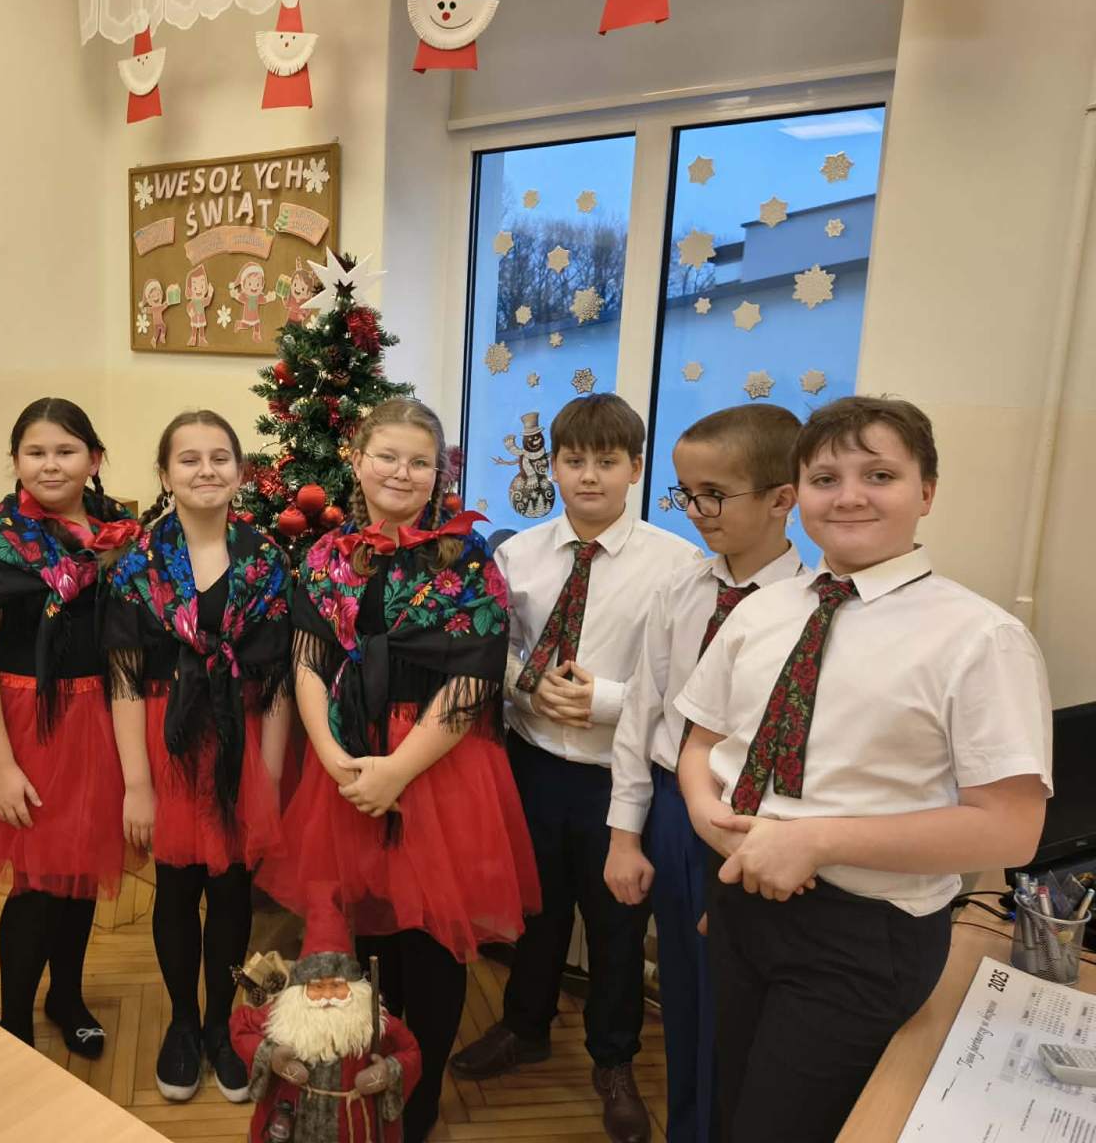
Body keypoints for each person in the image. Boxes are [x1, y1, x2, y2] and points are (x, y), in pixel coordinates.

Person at [676, 396, 1052, 1143]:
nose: (849, 496)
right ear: (798, 495)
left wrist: (816, 841)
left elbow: (1012, 829)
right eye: (826, 479)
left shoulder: (980, 637)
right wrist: (711, 823)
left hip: (860, 935)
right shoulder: (761, 611)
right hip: (744, 900)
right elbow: (701, 744)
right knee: (730, 1104)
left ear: (926, 492)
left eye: (879, 475)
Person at [257, 397, 540, 1143]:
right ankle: (375, 1081)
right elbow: (307, 659)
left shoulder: (467, 558)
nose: (402, 472)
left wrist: (398, 772)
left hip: (437, 767)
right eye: (387, 456)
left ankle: (419, 1103)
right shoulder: (326, 555)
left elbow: (475, 678)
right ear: (357, 461)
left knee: (433, 941)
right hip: (348, 757)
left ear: (439, 473)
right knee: (371, 932)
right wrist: (331, 756)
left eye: (420, 462)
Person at [452, 393, 700, 1143]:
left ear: (635, 469)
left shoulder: (678, 566)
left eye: (607, 461)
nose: (589, 476)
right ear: (553, 466)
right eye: (574, 460)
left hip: (619, 779)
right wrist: (528, 684)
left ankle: (614, 1059)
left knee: (617, 924)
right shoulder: (517, 555)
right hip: (531, 764)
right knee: (536, 911)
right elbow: (496, 646)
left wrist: (607, 700)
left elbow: (688, 682)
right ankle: (524, 1027)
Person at [604, 405, 804, 1143]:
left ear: (783, 498)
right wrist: (625, 836)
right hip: (669, 806)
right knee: (684, 991)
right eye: (686, 494)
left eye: (714, 495)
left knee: (740, 1003)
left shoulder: (810, 608)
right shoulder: (682, 591)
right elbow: (642, 715)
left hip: (754, 825)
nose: (695, 511)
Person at [0, 397, 139, 1056]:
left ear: (94, 459)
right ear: (16, 460)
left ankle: (67, 997)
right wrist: (0, 766)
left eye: (66, 451)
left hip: (101, 719)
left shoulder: (120, 532)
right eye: (36, 452)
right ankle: (16, 1019)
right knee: (39, 885)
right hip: (26, 726)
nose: (51, 465)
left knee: (81, 874)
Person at [104, 410, 293, 1103]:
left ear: (241, 472)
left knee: (233, 890)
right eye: (189, 459)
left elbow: (278, 681)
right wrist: (137, 784)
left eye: (220, 457)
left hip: (242, 739)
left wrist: (269, 775)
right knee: (178, 887)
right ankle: (183, 1022)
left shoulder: (268, 561)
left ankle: (220, 1023)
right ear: (165, 473)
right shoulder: (138, 564)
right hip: (169, 743)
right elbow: (124, 680)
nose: (205, 470)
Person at [231, 883, 422, 1143]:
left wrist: (388, 1072)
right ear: (300, 990)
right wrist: (271, 1056)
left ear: (355, 989)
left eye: (337, 986)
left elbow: (410, 1051)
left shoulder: (372, 1021)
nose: (328, 996)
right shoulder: (283, 1017)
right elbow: (240, 1025)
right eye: (318, 987)